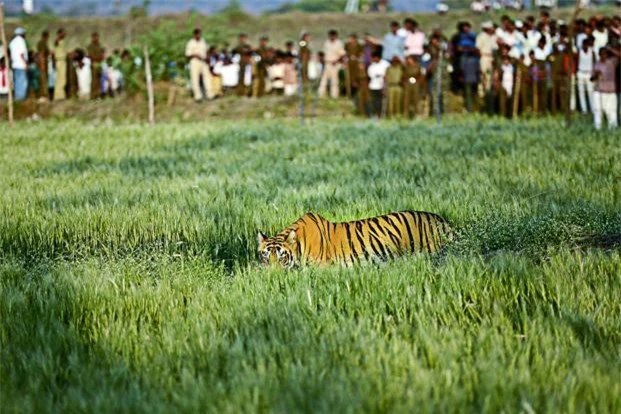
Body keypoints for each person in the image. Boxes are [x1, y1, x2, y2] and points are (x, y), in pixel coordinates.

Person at [591, 47, 619, 130]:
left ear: (607, 55)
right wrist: (596, 74)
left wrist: (611, 49)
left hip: (610, 91)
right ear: (599, 55)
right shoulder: (596, 64)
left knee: (611, 111)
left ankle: (613, 128)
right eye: (601, 54)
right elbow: (591, 79)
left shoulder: (612, 62)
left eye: (605, 54)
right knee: (598, 111)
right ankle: (597, 128)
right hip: (599, 91)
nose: (603, 56)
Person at [185, 28, 212, 102]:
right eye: (198, 34)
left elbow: (207, 50)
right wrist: (196, 55)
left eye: (200, 34)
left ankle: (209, 94)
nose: (199, 36)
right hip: (195, 61)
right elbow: (187, 54)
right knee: (195, 78)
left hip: (203, 61)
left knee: (207, 77)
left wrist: (208, 58)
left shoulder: (203, 41)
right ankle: (198, 96)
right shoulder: (190, 43)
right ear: (195, 35)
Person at [476, 21, 497, 113]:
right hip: (484, 57)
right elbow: (478, 48)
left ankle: (488, 92)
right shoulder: (481, 36)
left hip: (491, 58)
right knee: (483, 76)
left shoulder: (493, 37)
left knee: (489, 77)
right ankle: (482, 94)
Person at [319, 30, 345, 99]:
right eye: (330, 35)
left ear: (336, 36)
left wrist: (336, 61)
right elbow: (323, 53)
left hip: (334, 64)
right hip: (327, 63)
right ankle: (321, 95)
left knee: (334, 81)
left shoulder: (339, 43)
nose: (331, 37)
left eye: (333, 36)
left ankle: (334, 95)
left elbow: (342, 55)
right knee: (323, 80)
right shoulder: (326, 43)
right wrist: (322, 60)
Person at [577, 37, 596, 114]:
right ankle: (584, 110)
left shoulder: (592, 52)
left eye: (586, 45)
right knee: (581, 92)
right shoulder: (579, 52)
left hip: (589, 73)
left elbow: (594, 64)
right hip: (581, 72)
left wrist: (593, 74)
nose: (584, 46)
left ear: (588, 45)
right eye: (583, 45)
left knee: (590, 92)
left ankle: (592, 109)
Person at [9, 27, 28, 101]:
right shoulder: (21, 41)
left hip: (15, 64)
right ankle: (21, 97)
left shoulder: (12, 42)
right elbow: (21, 54)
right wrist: (25, 63)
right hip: (21, 64)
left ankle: (17, 96)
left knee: (17, 81)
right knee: (22, 81)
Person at [367, 51, 389, 117]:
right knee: (374, 101)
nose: (373, 60)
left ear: (377, 57)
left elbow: (387, 74)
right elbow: (370, 75)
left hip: (382, 86)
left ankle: (382, 115)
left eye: (374, 58)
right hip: (373, 86)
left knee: (382, 102)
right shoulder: (371, 66)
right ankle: (374, 114)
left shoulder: (385, 64)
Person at [86, 32, 105, 99]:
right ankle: (93, 96)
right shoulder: (90, 46)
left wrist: (102, 57)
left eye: (97, 37)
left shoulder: (100, 45)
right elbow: (90, 56)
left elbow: (103, 54)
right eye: (95, 37)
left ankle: (98, 94)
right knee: (94, 81)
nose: (96, 38)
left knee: (99, 80)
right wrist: (98, 58)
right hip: (94, 64)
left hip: (100, 64)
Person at [53, 28, 68, 100]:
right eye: (63, 33)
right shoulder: (57, 41)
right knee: (60, 79)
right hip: (60, 61)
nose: (65, 34)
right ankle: (59, 96)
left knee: (62, 79)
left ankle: (60, 95)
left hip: (62, 61)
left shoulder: (62, 41)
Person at [36, 31, 50, 101]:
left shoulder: (41, 42)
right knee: (43, 79)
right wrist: (42, 64)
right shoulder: (43, 43)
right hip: (42, 63)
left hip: (42, 63)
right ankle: (44, 95)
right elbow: (41, 54)